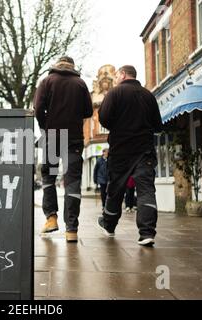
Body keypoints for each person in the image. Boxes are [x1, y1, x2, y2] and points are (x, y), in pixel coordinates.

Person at [96, 65, 163, 247]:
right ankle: (147, 233)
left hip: (121, 151)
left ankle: (109, 226)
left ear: (123, 75)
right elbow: (158, 125)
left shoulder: (115, 93)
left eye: (117, 75)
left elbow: (104, 119)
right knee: (146, 190)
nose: (116, 78)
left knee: (115, 189)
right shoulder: (148, 95)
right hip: (144, 151)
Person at [34, 56, 93, 243]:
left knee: (49, 177)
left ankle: (51, 218)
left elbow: (37, 108)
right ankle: (72, 229)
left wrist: (45, 127)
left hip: (53, 138)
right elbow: (89, 112)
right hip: (74, 139)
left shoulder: (47, 81)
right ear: (72, 67)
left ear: (57, 65)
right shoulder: (80, 83)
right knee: (72, 180)